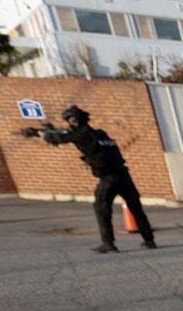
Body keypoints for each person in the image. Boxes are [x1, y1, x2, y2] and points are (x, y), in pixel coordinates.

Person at [23, 105, 155, 253]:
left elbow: (59, 138)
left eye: (69, 120)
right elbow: (66, 133)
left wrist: (36, 133)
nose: (68, 123)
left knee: (101, 210)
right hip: (124, 175)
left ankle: (108, 244)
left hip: (108, 178)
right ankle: (149, 240)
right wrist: (51, 129)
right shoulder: (101, 134)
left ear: (73, 120)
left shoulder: (81, 135)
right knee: (136, 209)